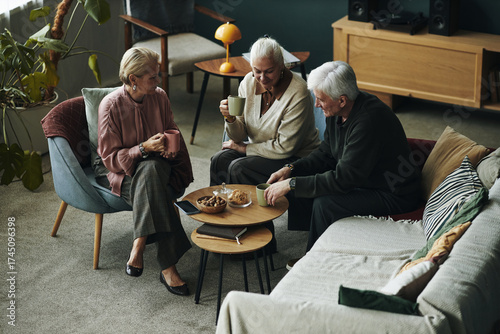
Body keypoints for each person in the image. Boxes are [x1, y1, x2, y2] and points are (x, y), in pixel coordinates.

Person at [264, 61, 421, 265]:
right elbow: (326, 153)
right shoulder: (336, 111)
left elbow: (343, 180)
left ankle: (312, 261)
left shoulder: (368, 122)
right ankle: (320, 236)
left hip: (394, 192)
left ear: (342, 100)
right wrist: (291, 169)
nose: (316, 105)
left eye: (320, 99)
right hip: (365, 180)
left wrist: (292, 184)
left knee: (325, 203)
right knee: (299, 182)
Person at [94, 47, 193, 296]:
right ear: (133, 80)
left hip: (158, 167)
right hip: (120, 172)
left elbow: (172, 130)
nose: (158, 82)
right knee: (151, 175)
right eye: (152, 77)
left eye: (157, 75)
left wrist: (172, 147)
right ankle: (168, 267)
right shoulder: (110, 107)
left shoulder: (159, 97)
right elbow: (109, 159)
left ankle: (139, 243)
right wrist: (142, 148)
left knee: (153, 168)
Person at [209, 36, 320, 252]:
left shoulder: (298, 92)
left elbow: (284, 147)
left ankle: (262, 241)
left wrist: (243, 149)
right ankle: (224, 228)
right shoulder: (249, 82)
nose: (261, 78)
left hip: (295, 158)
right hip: (261, 150)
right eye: (256, 70)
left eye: (268, 71)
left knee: (240, 167)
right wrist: (230, 119)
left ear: (282, 66)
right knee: (219, 160)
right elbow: (239, 133)